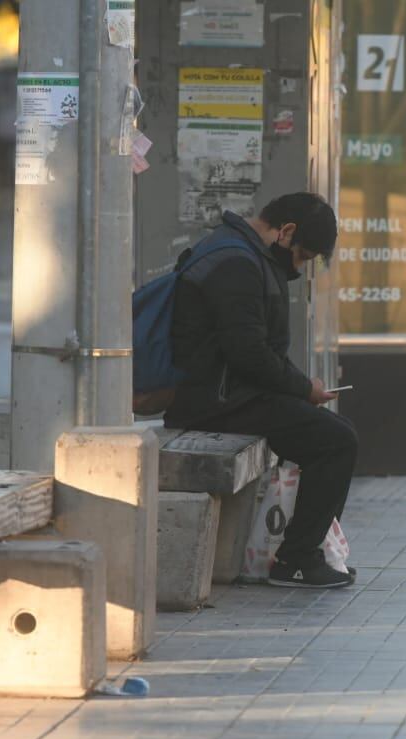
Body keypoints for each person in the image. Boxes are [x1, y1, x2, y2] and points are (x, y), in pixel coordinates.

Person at [165, 192, 358, 589]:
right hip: (216, 401)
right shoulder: (236, 263)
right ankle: (298, 560)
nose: (300, 267)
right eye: (303, 255)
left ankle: (313, 552)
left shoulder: (242, 254)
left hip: (233, 393)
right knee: (336, 441)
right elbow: (248, 352)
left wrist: (305, 389)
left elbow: (259, 350)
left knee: (328, 434)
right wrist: (304, 390)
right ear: (286, 232)